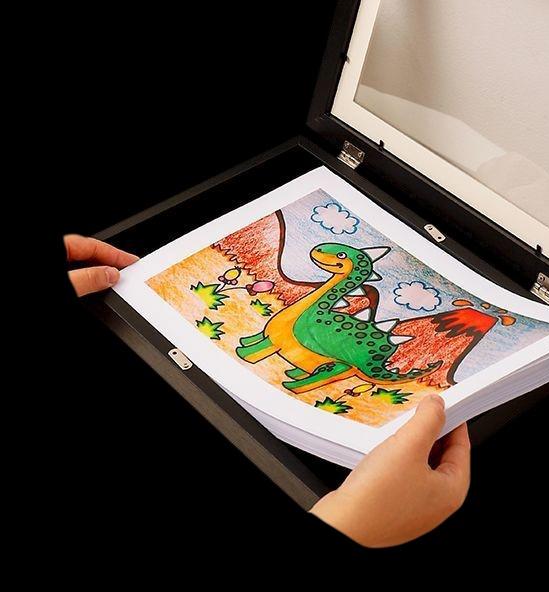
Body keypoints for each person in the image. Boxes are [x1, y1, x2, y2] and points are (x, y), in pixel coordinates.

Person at [64, 233, 471, 548]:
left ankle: (314, 372)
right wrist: (353, 526)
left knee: (303, 336)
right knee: (286, 329)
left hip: (347, 353)